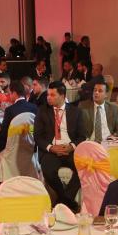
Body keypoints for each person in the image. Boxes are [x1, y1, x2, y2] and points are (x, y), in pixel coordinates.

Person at [34, 81, 84, 211]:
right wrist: (51, 147)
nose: (48, 97)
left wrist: (71, 146)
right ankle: (68, 201)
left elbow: (82, 136)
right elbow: (37, 136)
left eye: (52, 95)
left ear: (62, 96)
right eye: (48, 94)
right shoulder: (42, 111)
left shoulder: (76, 111)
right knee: (48, 171)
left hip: (70, 150)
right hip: (51, 151)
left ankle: (63, 200)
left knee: (83, 169)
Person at [0, 80, 37, 153]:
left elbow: (3, 134)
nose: (10, 96)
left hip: (11, 143)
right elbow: (34, 127)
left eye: (10, 93)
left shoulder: (10, 110)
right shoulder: (34, 107)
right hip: (29, 141)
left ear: (14, 93)